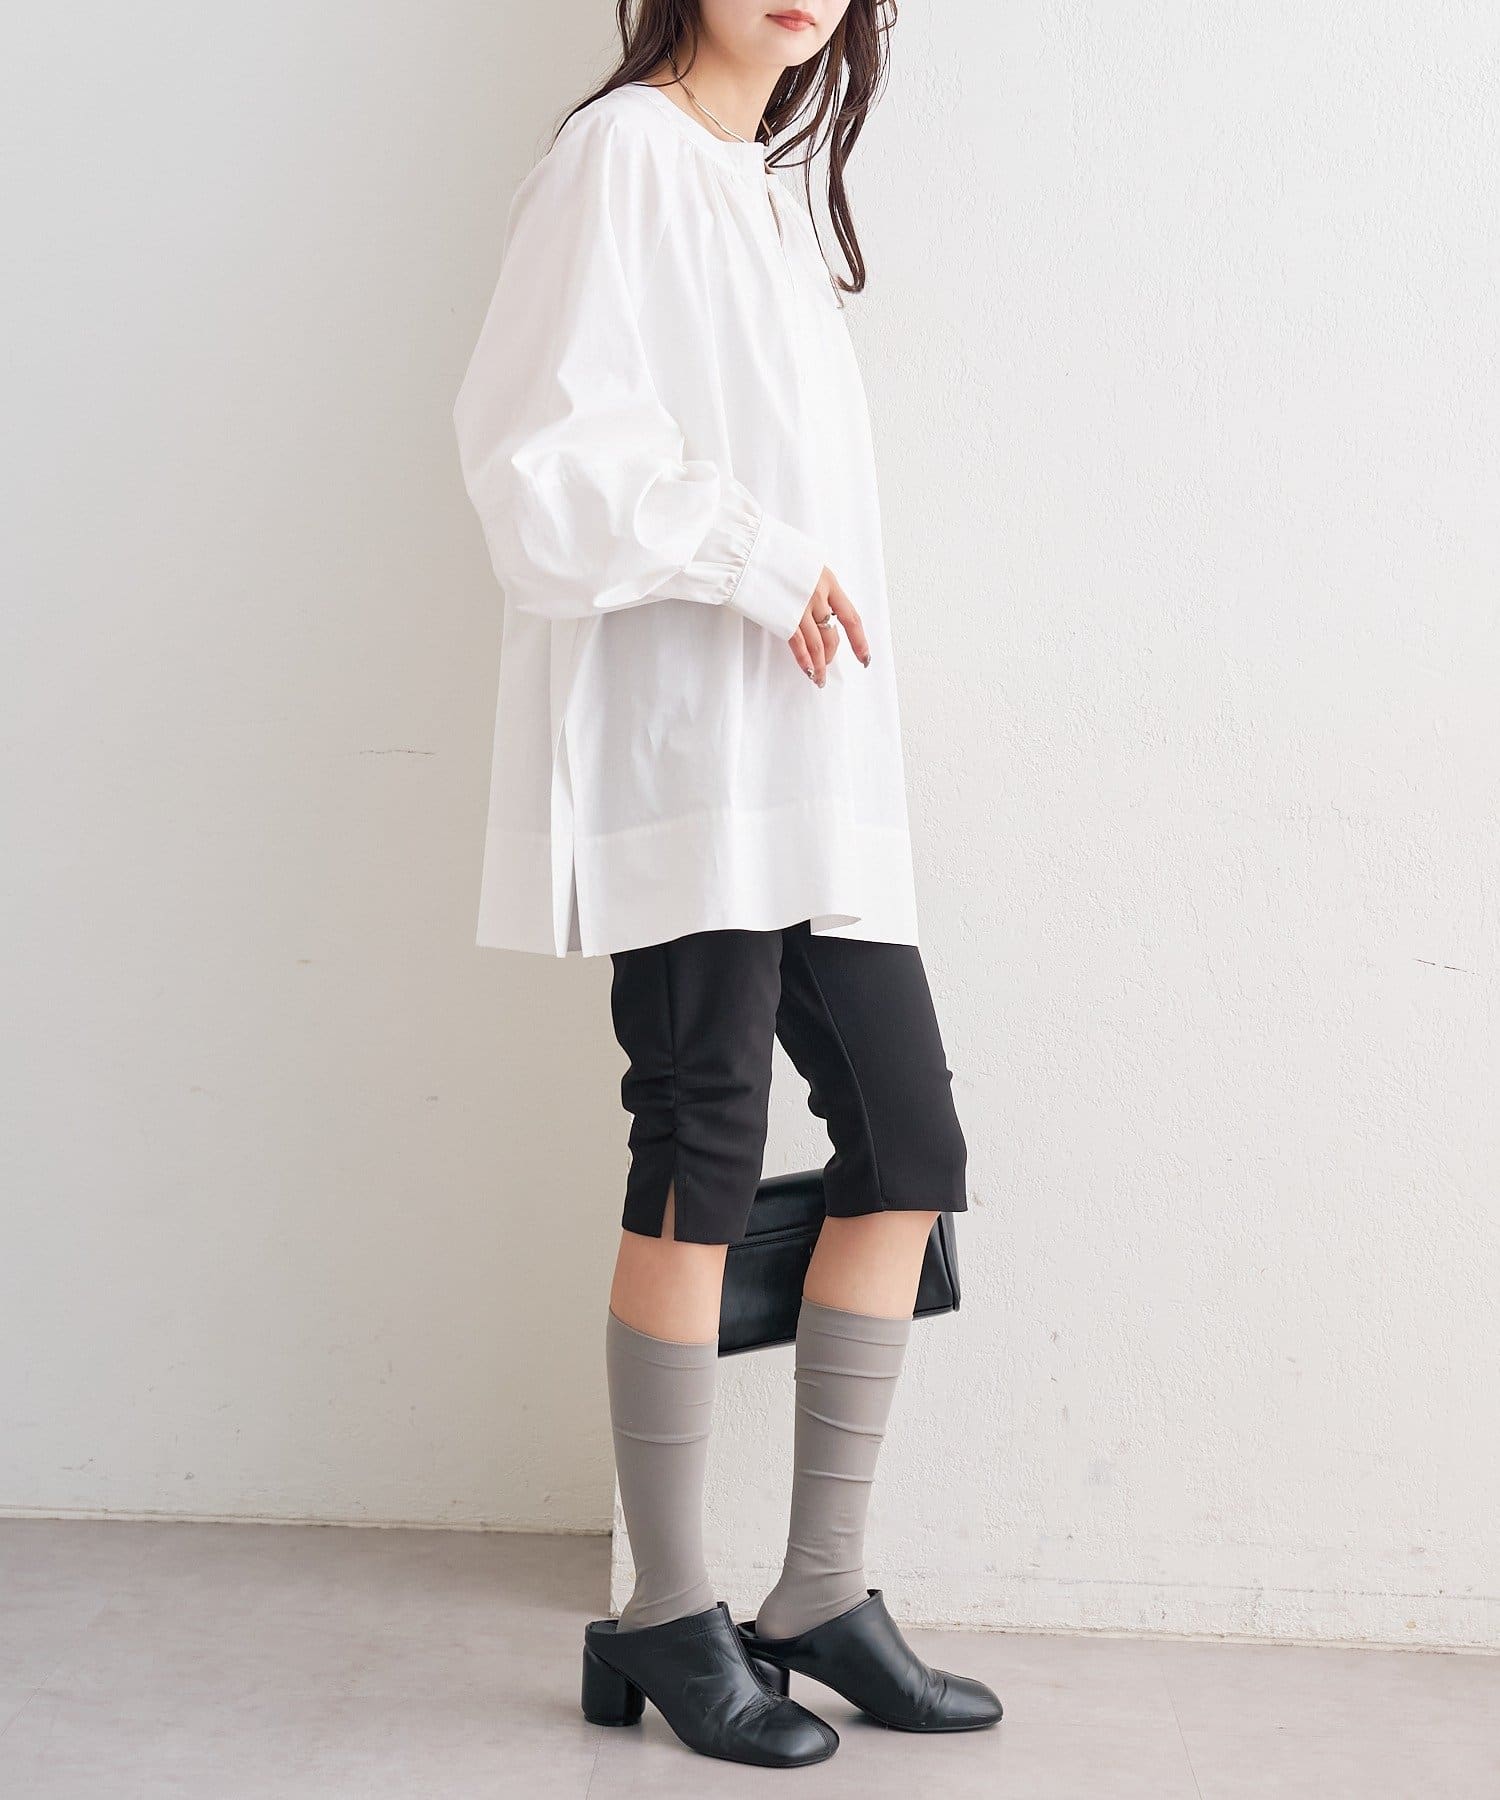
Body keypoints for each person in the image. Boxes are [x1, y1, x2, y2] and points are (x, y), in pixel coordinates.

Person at [452, 0, 1001, 1768]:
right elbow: (534, 461)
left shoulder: (764, 193)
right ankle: (666, 1608)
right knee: (697, 1142)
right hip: (692, 763)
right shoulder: (619, 158)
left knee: (908, 1150)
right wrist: (752, 556)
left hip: (816, 774)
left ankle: (818, 1591)